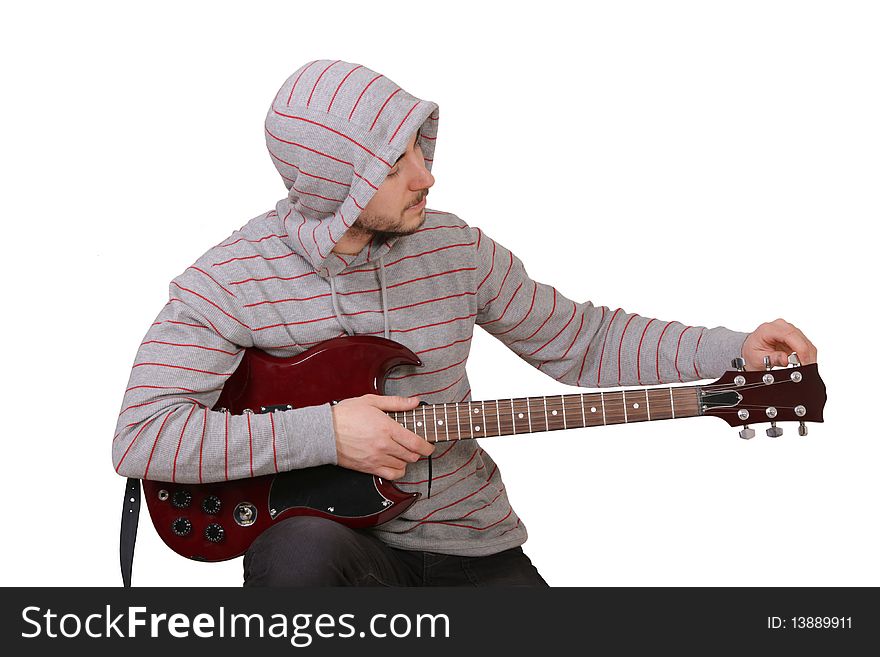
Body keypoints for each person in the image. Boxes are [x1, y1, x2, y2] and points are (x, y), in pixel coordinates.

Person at [112, 59, 818, 586]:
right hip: (335, 552)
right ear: (338, 182)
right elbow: (144, 435)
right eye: (395, 164)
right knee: (297, 557)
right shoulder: (231, 278)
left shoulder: (454, 248)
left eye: (421, 149)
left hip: (471, 540)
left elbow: (585, 340)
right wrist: (327, 432)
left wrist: (736, 350)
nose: (426, 176)